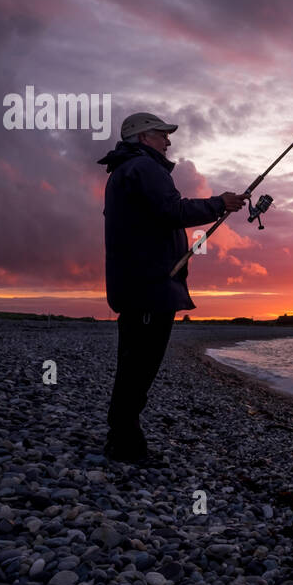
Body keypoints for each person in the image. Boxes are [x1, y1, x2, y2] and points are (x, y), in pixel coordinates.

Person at [97, 112, 247, 463]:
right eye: (162, 135)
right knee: (139, 369)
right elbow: (172, 210)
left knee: (133, 365)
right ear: (143, 137)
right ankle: (125, 446)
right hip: (148, 287)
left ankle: (121, 440)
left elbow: (158, 216)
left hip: (138, 285)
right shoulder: (143, 168)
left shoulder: (126, 170)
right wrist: (218, 204)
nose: (168, 141)